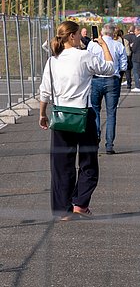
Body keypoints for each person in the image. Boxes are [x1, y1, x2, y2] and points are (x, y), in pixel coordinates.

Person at [39, 20, 114, 221]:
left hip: (61, 115)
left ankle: (63, 210)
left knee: (61, 164)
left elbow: (44, 91)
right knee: (89, 161)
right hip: (83, 114)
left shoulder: (52, 60)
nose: (82, 37)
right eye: (79, 34)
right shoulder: (84, 56)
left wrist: (42, 114)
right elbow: (109, 68)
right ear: (72, 36)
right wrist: (104, 46)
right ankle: (80, 202)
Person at [87, 23, 127, 155]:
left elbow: (87, 61)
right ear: (113, 33)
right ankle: (109, 144)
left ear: (102, 33)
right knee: (111, 113)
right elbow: (123, 66)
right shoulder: (118, 45)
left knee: (95, 111)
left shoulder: (93, 45)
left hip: (96, 79)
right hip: (112, 80)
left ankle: (95, 138)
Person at [122, 25, 136, 90]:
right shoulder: (137, 37)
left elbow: (126, 47)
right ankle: (139, 82)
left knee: (127, 71)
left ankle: (128, 84)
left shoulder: (125, 37)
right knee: (136, 70)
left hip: (127, 55)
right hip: (135, 55)